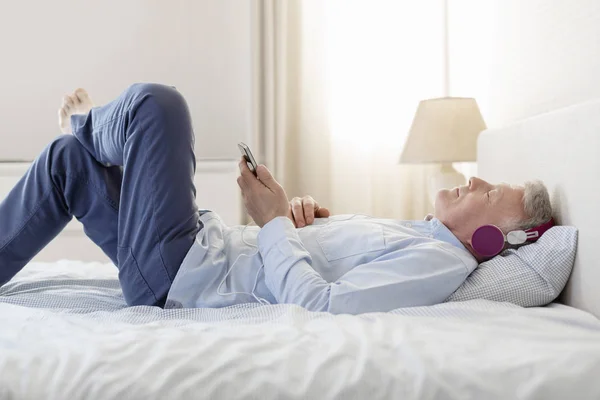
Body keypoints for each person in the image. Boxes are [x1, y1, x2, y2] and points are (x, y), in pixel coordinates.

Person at [0, 84, 553, 314]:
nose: (477, 182)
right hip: (201, 251)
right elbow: (324, 272)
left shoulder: (444, 260)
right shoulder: (422, 234)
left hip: (185, 273)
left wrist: (271, 223)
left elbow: (322, 307)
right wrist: (298, 221)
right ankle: (81, 135)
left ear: (499, 237)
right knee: (67, 163)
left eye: (493, 192)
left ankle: (84, 122)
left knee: (158, 107)